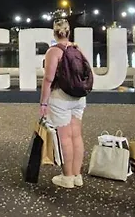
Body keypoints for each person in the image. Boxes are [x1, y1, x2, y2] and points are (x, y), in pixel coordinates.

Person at [39, 19, 86, 189]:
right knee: (76, 136)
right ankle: (77, 175)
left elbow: (48, 79)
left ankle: (67, 177)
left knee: (64, 138)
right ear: (68, 32)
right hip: (78, 97)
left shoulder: (53, 51)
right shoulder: (77, 49)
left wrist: (43, 103)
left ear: (54, 33)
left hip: (61, 98)